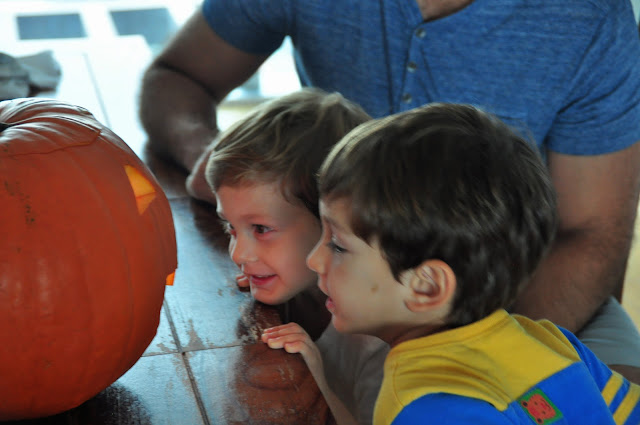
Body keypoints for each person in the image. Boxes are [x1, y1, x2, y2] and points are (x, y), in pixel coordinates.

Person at [138, 0, 640, 382]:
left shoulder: (590, 18)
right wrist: (217, 166)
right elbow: (177, 75)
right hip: (347, 275)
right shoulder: (321, 253)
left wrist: (455, 350)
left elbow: (593, 235)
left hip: (527, 295)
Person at [265, 102, 640, 424]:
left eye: (338, 245)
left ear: (427, 286)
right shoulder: (553, 342)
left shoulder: (430, 407)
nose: (314, 260)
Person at [205, 87, 387, 424]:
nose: (239, 253)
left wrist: (317, 383)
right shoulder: (296, 284)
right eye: (230, 226)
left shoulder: (377, 341)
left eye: (261, 229)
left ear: (331, 225)